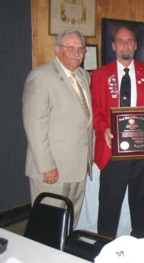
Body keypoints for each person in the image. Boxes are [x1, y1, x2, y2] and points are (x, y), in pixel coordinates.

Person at [90, 26, 144, 239]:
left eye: (129, 40)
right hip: (112, 151)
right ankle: (104, 247)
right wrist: (103, 128)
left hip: (143, 151)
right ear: (114, 46)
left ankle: (139, 246)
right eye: (120, 41)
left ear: (135, 45)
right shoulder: (99, 75)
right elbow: (95, 110)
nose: (125, 44)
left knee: (141, 206)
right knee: (109, 207)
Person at [22, 30, 93, 227]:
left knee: (71, 219)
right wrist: (46, 166)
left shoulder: (84, 77)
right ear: (57, 49)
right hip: (53, 170)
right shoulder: (40, 77)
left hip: (78, 166)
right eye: (70, 47)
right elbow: (35, 125)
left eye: (80, 48)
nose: (76, 52)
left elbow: (85, 121)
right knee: (48, 223)